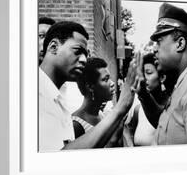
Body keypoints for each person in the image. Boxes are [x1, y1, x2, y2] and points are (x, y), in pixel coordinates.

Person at [39, 21, 138, 152]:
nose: (84, 59)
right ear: (53, 47)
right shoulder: (33, 93)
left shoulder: (63, 93)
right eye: (77, 51)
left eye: (86, 54)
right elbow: (56, 158)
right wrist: (120, 107)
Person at [140, 3, 187, 145]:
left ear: (180, 44)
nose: (155, 49)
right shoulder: (186, 81)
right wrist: (142, 93)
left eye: (159, 41)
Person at [72, 57, 124, 147]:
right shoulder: (76, 125)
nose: (112, 83)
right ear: (90, 87)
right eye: (105, 79)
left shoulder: (101, 114)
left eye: (110, 78)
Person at [123, 53, 169, 146]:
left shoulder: (171, 106)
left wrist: (143, 93)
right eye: (142, 73)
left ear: (162, 77)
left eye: (148, 73)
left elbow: (161, 122)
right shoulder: (138, 110)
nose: (143, 78)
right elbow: (129, 132)